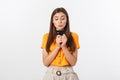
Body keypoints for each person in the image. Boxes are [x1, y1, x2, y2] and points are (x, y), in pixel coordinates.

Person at [41, 7, 80, 80]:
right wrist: (57, 47)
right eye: (56, 19)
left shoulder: (74, 36)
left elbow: (73, 62)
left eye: (62, 18)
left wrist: (64, 47)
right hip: (51, 74)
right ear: (52, 21)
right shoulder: (46, 37)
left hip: (69, 74)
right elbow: (45, 63)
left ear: (67, 20)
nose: (60, 21)